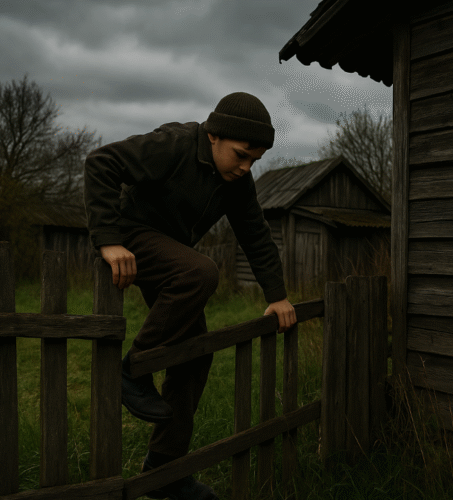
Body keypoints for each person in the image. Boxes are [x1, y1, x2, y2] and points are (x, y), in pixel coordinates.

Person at [84, 92, 297, 500]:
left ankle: (165, 469)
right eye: (241, 155)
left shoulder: (236, 181)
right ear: (214, 135)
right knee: (201, 271)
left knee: (195, 354)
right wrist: (109, 239)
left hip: (172, 254)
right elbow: (101, 162)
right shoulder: (175, 145)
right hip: (134, 236)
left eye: (254, 160)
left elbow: (255, 233)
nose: (246, 167)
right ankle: (131, 371)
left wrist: (278, 295)